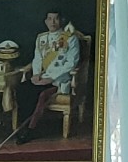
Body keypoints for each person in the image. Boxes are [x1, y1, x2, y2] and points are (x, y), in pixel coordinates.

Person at [13, 9, 81, 144]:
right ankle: (22, 127)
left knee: (39, 94)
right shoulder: (41, 38)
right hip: (41, 77)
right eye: (50, 19)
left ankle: (31, 129)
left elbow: (71, 63)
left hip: (58, 79)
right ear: (45, 21)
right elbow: (37, 58)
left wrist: (51, 78)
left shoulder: (70, 38)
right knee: (22, 89)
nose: (53, 22)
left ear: (61, 20)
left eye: (56, 18)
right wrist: (36, 74)